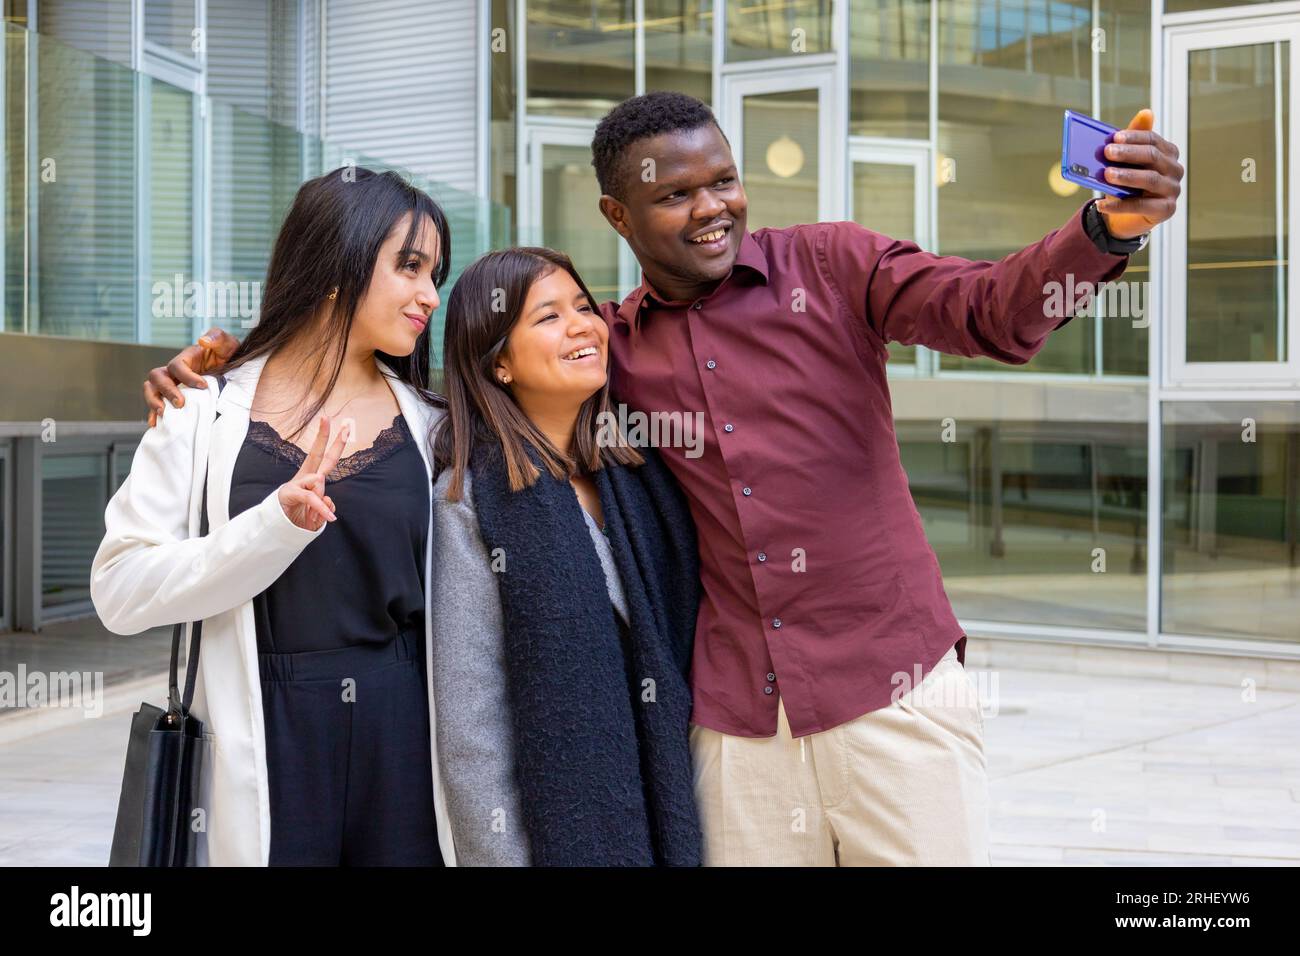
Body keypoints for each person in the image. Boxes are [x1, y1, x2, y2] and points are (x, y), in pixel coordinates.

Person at [141, 91, 1184, 866]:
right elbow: (478, 390)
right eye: (674, 194)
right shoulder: (613, 351)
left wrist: (1101, 233)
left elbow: (990, 309)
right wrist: (224, 380)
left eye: (720, 180)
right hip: (739, 726)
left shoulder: (831, 265)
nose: (710, 208)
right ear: (618, 213)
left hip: (889, 691)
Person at [93, 167, 457, 866]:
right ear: (333, 263)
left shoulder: (434, 427)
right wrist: (273, 527)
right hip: (262, 730)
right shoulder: (200, 410)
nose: (429, 296)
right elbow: (119, 588)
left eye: (434, 273)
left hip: (406, 731)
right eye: (409, 267)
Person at [427, 246, 702, 866]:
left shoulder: (638, 473)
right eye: (548, 317)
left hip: (672, 813)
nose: (583, 325)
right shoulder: (470, 501)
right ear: (499, 362)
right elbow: (472, 723)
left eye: (583, 306)